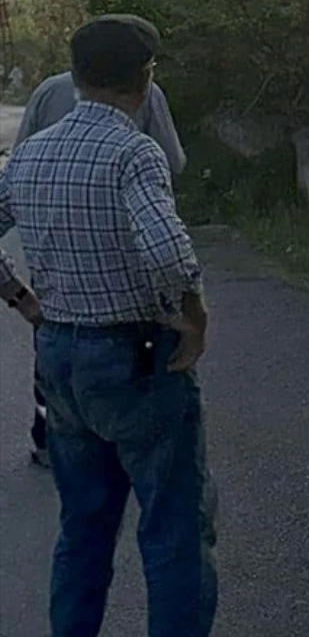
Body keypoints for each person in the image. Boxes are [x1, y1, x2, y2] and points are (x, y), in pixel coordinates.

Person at [0, 15, 252, 637]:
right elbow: (170, 254)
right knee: (173, 520)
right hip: (133, 358)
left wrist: (22, 299)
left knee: (84, 517)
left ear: (74, 75)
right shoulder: (132, 153)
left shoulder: (30, 155)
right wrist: (194, 317)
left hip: (61, 358)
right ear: (144, 80)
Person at [12, 52, 187, 469]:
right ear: (137, 75)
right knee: (165, 472)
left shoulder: (45, 91)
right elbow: (174, 162)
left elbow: (17, 166)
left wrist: (18, 295)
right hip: (126, 291)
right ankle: (130, 449)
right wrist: (192, 311)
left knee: (57, 366)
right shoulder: (147, 98)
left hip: (55, 283)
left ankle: (48, 439)